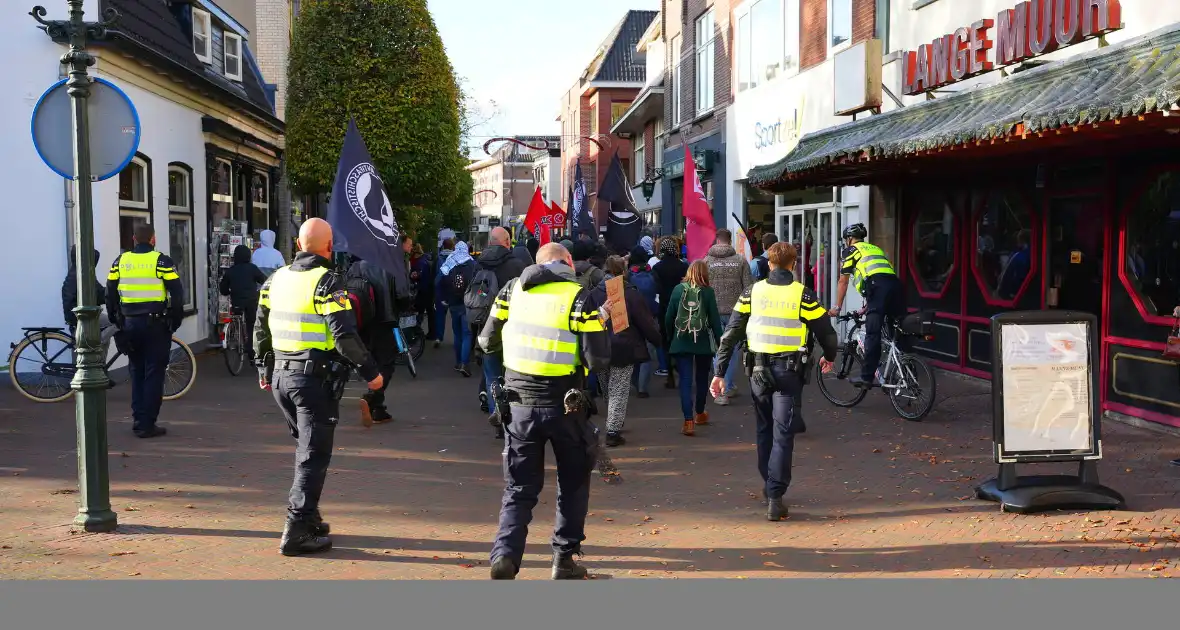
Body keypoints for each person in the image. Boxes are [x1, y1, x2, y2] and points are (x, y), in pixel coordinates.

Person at [478, 242, 611, 580]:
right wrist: (600, 321)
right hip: (566, 406)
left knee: (519, 488)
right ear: (568, 263)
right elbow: (597, 359)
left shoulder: (511, 290)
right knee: (573, 482)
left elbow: (487, 341)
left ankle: (505, 555)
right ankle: (563, 560)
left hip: (518, 406)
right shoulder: (580, 297)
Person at [254, 218, 383, 556]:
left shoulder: (275, 279)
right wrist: (371, 372)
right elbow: (343, 334)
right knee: (313, 456)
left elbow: (260, 327)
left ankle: (309, 517)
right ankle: (296, 530)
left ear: (298, 245)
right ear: (329, 247)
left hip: (282, 378)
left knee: (306, 449)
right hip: (312, 381)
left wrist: (262, 366)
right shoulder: (327, 283)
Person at [712, 243, 839, 521]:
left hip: (758, 371)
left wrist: (719, 371)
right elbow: (826, 332)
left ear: (769, 264)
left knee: (764, 430)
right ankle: (775, 495)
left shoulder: (751, 292)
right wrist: (829, 357)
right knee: (783, 434)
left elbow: (731, 333)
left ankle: (768, 486)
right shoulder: (802, 294)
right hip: (789, 372)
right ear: (793, 264)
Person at [105, 224, 185, 439]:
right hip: (155, 325)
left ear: (133, 239)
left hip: (130, 325)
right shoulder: (161, 261)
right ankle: (147, 424)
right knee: (154, 373)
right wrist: (174, 320)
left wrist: (117, 321)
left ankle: (138, 418)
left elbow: (110, 293)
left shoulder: (120, 261)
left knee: (136, 371)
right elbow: (177, 292)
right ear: (153, 239)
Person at [590, 256, 661, 446]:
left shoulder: (594, 293)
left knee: (607, 387)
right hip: (624, 345)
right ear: (623, 271)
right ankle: (613, 430)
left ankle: (613, 419)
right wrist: (657, 339)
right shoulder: (630, 293)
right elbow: (645, 321)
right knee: (619, 389)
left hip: (600, 346)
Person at [828, 223, 903, 389]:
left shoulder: (851, 250)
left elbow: (843, 280)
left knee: (872, 333)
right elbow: (880, 275)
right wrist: (868, 306)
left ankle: (867, 377)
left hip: (877, 288)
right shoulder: (875, 249)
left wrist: (837, 307)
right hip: (895, 287)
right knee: (898, 331)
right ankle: (906, 368)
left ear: (849, 239)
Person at [474, 227, 527, 435]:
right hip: (511, 328)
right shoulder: (517, 265)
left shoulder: (478, 264)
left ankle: (496, 416)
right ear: (507, 242)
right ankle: (509, 421)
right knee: (512, 376)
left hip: (485, 326)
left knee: (492, 376)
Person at [665, 260, 724, 437]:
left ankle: (688, 420)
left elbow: (669, 317)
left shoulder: (678, 290)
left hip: (681, 340)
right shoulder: (707, 292)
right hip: (703, 342)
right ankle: (700, 413)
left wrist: (671, 337)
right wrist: (721, 342)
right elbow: (714, 320)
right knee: (701, 378)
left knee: (685, 380)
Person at [348, 249, 400, 427]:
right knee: (387, 363)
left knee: (372, 360)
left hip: (363, 320)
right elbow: (403, 295)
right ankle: (372, 398)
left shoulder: (355, 266)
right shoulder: (390, 266)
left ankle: (378, 408)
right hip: (385, 319)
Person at [704, 229, 754, 406]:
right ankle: (727, 386)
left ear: (717, 240)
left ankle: (720, 387)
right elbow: (749, 288)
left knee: (717, 349)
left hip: (712, 311)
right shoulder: (740, 261)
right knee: (732, 351)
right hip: (736, 312)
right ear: (730, 240)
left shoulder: (706, 262)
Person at [62, 246, 117, 378]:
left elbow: (98, 292)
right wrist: (115, 294)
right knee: (116, 321)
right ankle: (97, 348)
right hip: (80, 317)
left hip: (77, 315)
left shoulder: (80, 272)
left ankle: (100, 365)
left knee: (108, 325)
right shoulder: (83, 276)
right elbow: (99, 294)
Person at [219, 245, 267, 362]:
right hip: (251, 301)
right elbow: (264, 280)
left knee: (237, 317)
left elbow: (223, 290)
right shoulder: (252, 268)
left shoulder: (231, 271)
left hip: (237, 302)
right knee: (251, 325)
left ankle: (236, 337)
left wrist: (230, 290)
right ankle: (251, 351)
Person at [652, 237, 688, 386]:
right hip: (681, 307)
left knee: (666, 340)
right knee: (681, 338)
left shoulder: (657, 268)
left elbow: (656, 288)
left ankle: (670, 376)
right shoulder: (683, 266)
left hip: (664, 306)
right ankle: (682, 369)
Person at [438, 240, 476, 376]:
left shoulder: (450, 262)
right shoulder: (472, 263)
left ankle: (458, 361)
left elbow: (440, 281)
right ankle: (465, 364)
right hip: (468, 303)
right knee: (467, 334)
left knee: (457, 334)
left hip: (453, 304)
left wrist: (443, 298)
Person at [627, 245, 660, 398]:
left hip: (632, 319)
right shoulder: (652, 272)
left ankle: (634, 381)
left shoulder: (628, 275)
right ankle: (642, 387)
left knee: (633, 352)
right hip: (650, 315)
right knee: (648, 352)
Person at [433, 238, 455, 348]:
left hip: (441, 290)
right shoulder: (456, 258)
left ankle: (438, 337)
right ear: (452, 247)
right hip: (453, 290)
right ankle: (457, 339)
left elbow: (436, 274)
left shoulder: (439, 258)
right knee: (455, 315)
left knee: (440, 315)